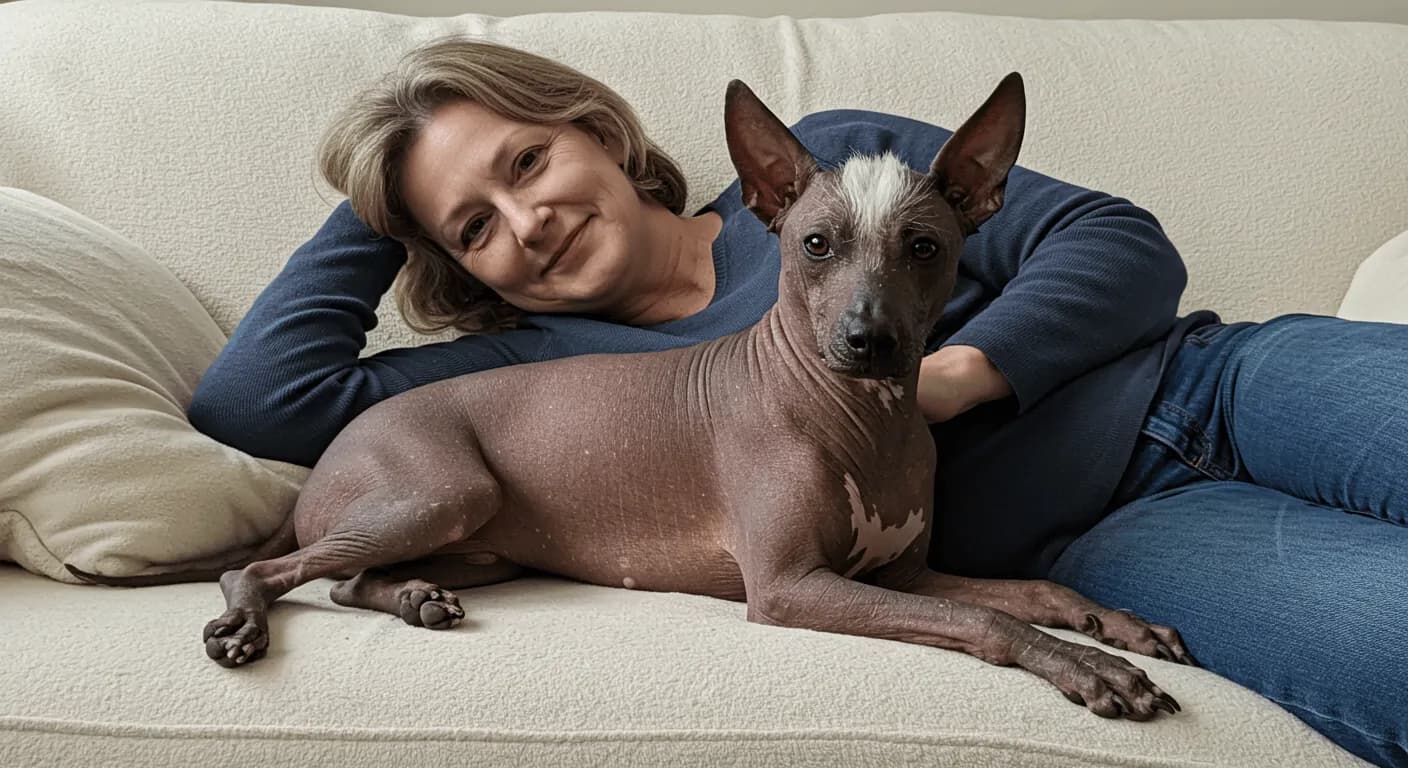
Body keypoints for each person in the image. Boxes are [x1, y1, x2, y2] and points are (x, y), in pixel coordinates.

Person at [187, 36, 1406, 767]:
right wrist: (387, 171)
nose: (529, 218)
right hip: (1117, 536)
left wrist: (953, 377)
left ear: (597, 130)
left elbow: (1116, 242)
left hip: (1225, 377)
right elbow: (258, 399)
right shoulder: (528, 378)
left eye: (526, 162)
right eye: (476, 228)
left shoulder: (839, 168)